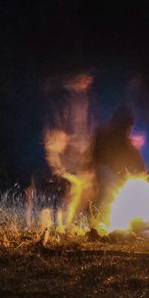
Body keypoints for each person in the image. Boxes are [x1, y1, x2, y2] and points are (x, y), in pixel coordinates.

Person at [38, 70, 97, 230]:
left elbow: (86, 125)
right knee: (72, 187)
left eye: (89, 79)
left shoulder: (82, 98)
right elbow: (53, 167)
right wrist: (59, 134)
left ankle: (67, 223)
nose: (87, 82)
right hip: (64, 156)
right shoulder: (62, 96)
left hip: (77, 153)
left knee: (85, 187)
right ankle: (59, 225)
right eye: (83, 78)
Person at [92, 104, 147, 217]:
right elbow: (110, 158)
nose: (131, 130)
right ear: (126, 124)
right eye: (130, 127)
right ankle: (103, 219)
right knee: (111, 189)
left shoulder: (110, 132)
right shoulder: (113, 134)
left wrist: (141, 172)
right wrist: (126, 174)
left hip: (106, 169)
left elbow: (133, 157)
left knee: (123, 186)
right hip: (103, 169)